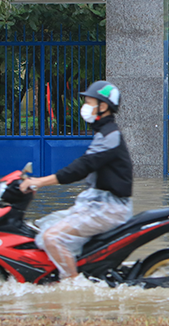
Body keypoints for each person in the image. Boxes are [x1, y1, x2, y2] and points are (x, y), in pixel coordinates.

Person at [20, 80, 134, 279]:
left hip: (109, 209)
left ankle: (74, 286)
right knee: (41, 227)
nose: (85, 107)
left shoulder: (110, 136)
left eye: (89, 102)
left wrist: (39, 182)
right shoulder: (104, 133)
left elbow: (81, 168)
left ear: (103, 106)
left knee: (51, 237)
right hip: (96, 205)